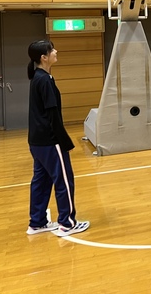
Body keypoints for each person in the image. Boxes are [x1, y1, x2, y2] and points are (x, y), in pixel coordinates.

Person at [26, 40, 89, 237]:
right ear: (43, 58)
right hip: (49, 141)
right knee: (64, 180)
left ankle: (36, 222)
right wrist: (65, 141)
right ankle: (67, 223)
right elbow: (52, 116)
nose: (55, 51)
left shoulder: (38, 77)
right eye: (51, 50)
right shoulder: (44, 80)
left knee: (41, 181)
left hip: (37, 141)